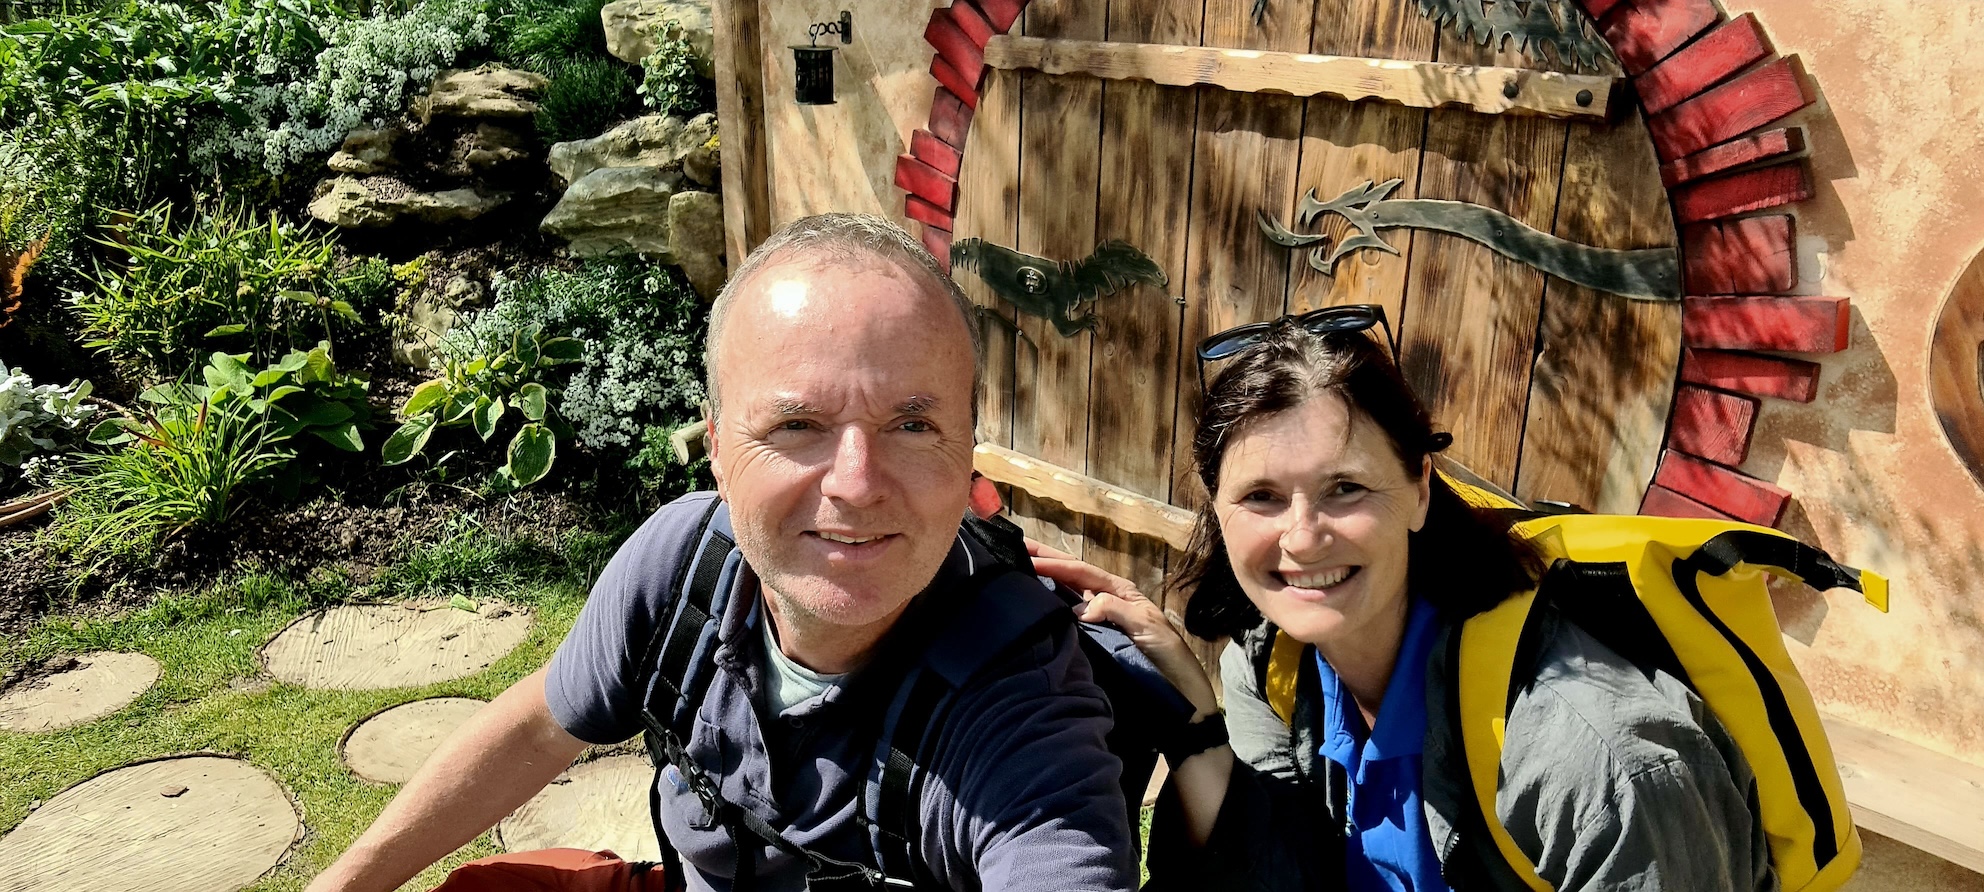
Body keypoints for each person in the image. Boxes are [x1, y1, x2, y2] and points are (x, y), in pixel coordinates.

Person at [306, 214, 1137, 892]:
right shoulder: (684, 565)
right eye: (797, 427)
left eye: (913, 425)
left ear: (968, 453)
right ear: (716, 449)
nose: (855, 483)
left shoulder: (1019, 704)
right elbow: (538, 724)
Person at [1031, 306, 1774, 891]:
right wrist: (1195, 726)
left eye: (1345, 488)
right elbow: (1269, 875)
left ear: (1422, 487)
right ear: (1215, 508)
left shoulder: (1599, 767)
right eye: (1261, 496)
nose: (1302, 538)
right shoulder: (1275, 671)